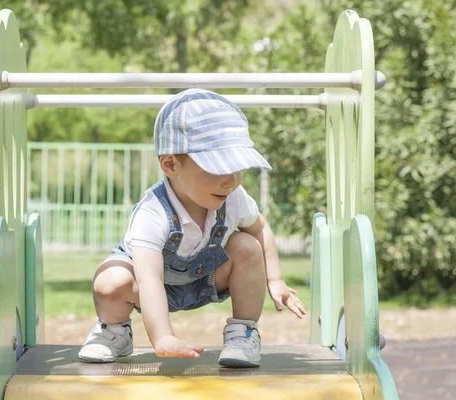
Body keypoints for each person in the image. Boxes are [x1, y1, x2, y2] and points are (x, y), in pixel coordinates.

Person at [78, 88, 307, 368]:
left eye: (237, 168)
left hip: (204, 279)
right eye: (217, 169)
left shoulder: (233, 198)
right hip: (147, 284)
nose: (231, 181)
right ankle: (114, 331)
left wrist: (275, 280)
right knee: (110, 281)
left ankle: (243, 333)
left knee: (247, 246)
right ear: (171, 165)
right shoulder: (153, 213)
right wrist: (163, 337)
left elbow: (260, 228)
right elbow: (149, 279)